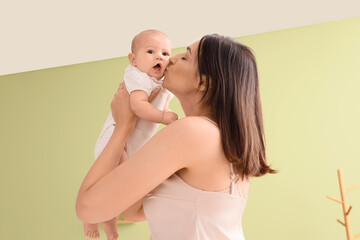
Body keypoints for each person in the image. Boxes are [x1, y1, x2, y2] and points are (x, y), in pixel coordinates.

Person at [76, 34, 277, 240]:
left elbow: (86, 209)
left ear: (203, 82)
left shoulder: (192, 132)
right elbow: (133, 212)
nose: (170, 59)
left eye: (186, 57)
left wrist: (122, 127)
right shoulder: (223, 141)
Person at [83, 29, 178, 239]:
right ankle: (92, 219)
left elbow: (159, 107)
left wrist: (167, 114)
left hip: (132, 143)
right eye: (151, 51)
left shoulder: (160, 85)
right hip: (115, 139)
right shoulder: (137, 77)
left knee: (115, 188)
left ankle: (107, 221)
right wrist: (163, 119)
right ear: (133, 60)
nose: (158, 57)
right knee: (115, 183)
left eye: (165, 53)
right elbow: (137, 107)